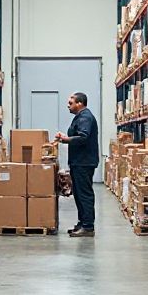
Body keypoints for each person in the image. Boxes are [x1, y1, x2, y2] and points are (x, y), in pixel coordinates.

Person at [55, 92, 99, 236]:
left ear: (79, 103)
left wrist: (66, 139)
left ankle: (88, 226)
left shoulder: (85, 117)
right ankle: (82, 223)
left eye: (71, 103)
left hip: (84, 162)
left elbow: (83, 137)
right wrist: (65, 138)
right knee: (79, 194)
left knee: (84, 194)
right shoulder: (80, 117)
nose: (68, 106)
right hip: (79, 162)